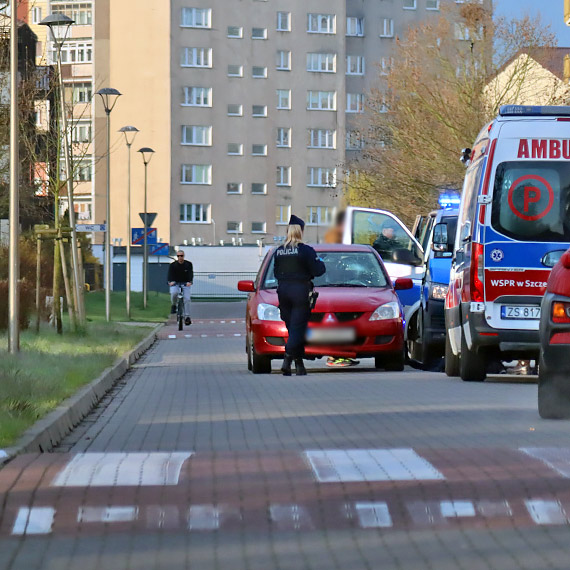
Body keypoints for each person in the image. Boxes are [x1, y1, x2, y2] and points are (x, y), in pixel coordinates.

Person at [274, 215, 326, 376]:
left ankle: (299, 365)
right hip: (300, 291)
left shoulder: (279, 251)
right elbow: (318, 271)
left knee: (292, 328)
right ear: (301, 231)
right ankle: (287, 358)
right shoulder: (305, 250)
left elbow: (276, 273)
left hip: (283, 290)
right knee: (297, 328)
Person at [322, 210, 360, 368]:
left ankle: (341, 355)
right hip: (334, 292)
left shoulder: (333, 240)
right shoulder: (334, 241)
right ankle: (335, 356)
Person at [168, 250, 193, 325]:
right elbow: (170, 274)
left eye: (181, 256)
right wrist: (170, 281)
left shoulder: (188, 264)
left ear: (183, 256)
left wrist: (190, 281)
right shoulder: (173, 265)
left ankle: (187, 316)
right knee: (174, 293)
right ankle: (174, 305)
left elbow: (190, 273)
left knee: (187, 299)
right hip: (175, 283)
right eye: (178, 256)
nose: (180, 258)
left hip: (185, 284)